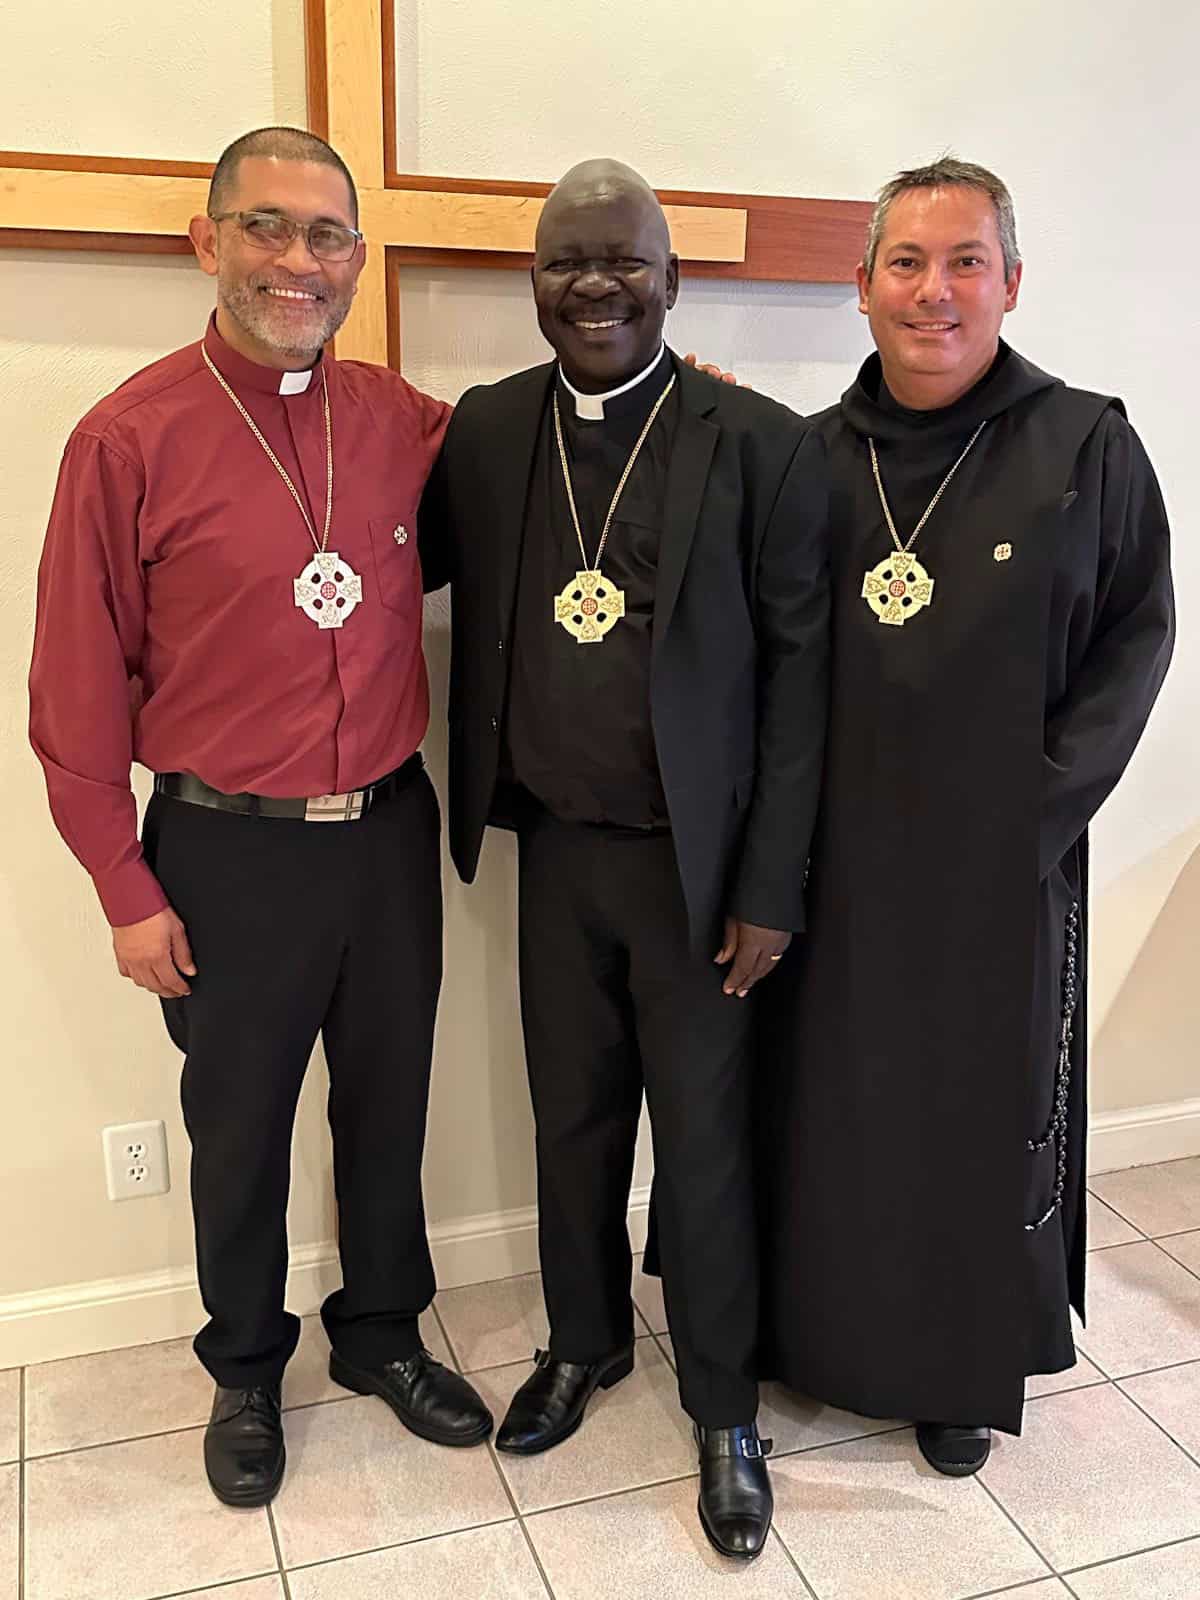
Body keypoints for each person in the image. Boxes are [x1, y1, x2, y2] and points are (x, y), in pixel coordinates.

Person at [28, 126, 492, 1508]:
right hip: (223, 848)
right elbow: (72, 691)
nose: (300, 261)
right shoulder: (126, 440)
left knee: (389, 1104)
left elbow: (545, 482)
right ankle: (242, 1365)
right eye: (267, 228)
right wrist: (124, 886)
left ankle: (382, 1332)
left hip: (388, 832)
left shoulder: (401, 422)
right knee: (238, 1127)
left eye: (327, 235)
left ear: (357, 257)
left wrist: (676, 411)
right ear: (208, 241)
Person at [417, 158, 829, 1560]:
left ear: (673, 277)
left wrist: (769, 886)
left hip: (697, 878)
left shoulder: (757, 440)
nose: (595, 286)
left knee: (704, 1148)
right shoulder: (487, 430)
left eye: (624, 261)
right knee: (572, 1122)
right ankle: (583, 1341)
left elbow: (801, 687)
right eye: (565, 262)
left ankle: (723, 1407)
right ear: (532, 280)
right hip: (558, 853)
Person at [760, 157, 1175, 1475]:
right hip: (838, 863)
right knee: (835, 1110)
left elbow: (1136, 640)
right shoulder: (810, 457)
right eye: (906, 262)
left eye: (965, 262)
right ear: (862, 284)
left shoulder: (1086, 444)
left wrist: (1030, 818)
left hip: (1002, 863)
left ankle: (952, 1371)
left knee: (970, 1116)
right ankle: (818, 1340)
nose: (933, 291)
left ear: (1012, 281)